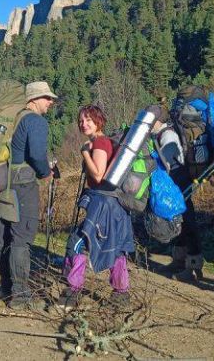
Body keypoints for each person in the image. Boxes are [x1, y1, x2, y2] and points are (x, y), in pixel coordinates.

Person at [58, 105, 135, 309]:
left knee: (78, 243)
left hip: (103, 205)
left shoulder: (100, 142)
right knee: (115, 246)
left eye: (88, 120)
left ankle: (72, 292)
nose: (83, 124)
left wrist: (85, 153)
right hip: (113, 205)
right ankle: (121, 294)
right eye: (81, 120)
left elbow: (99, 174)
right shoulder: (101, 141)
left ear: (98, 121)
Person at [0, 81, 57, 310]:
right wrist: (46, 172)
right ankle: (20, 296)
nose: (50, 102)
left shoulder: (13, 118)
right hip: (23, 185)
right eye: (46, 98)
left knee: (3, 235)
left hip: (2, 181)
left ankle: (6, 288)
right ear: (34, 99)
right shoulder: (35, 121)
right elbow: (38, 155)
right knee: (21, 237)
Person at [151, 103, 206, 281]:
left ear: (157, 121)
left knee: (187, 222)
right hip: (175, 182)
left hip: (179, 182)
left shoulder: (168, 135)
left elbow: (166, 161)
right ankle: (179, 261)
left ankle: (193, 267)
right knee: (177, 221)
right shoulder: (161, 134)